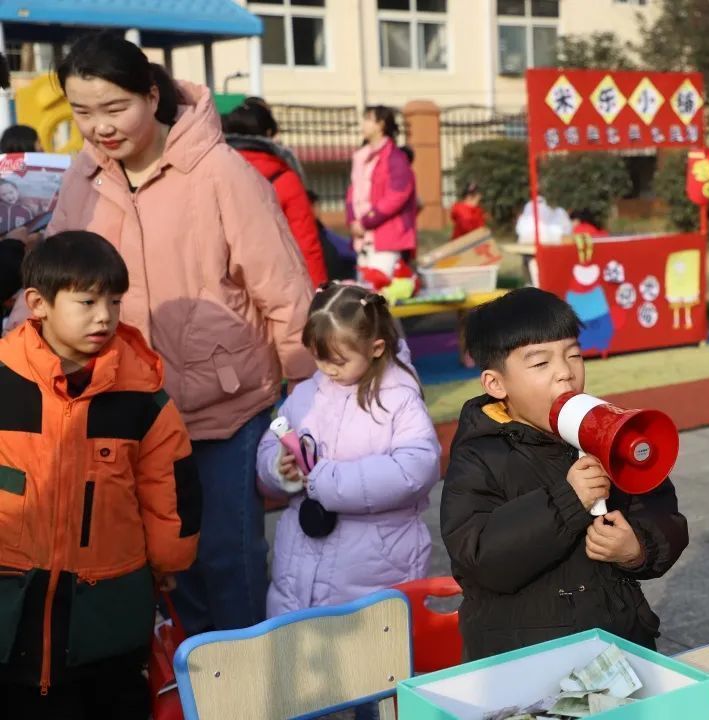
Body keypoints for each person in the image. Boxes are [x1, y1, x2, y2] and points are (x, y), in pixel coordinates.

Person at [25, 32, 315, 635]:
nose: (99, 127)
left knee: (225, 563)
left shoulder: (220, 173)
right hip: (123, 406)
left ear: (151, 96)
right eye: (82, 112)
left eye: (114, 108)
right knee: (156, 565)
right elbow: (56, 278)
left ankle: (247, 691)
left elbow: (284, 289)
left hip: (225, 412)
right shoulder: (84, 177)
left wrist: (310, 393)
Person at [0, 231, 200, 718]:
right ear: (37, 304)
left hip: (108, 608)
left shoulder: (140, 395)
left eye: (114, 301)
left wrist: (168, 558)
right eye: (87, 301)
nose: (105, 315)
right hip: (9, 607)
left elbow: (170, 483)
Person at [440, 287, 688, 660]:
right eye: (540, 364)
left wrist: (637, 549)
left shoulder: (600, 429)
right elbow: (480, 558)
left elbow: (660, 510)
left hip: (617, 643)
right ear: (496, 384)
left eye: (574, 355)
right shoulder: (479, 454)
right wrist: (568, 499)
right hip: (523, 659)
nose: (565, 374)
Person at [256, 282, 439, 617]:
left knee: (365, 661)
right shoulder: (307, 394)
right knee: (300, 657)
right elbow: (272, 439)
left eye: (338, 360)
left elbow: (416, 468)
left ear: (376, 347)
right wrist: (278, 466)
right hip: (297, 569)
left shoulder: (398, 399)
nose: (328, 369)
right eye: (319, 358)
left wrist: (325, 479)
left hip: (373, 570)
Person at [222, 100, 328, 286]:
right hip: (275, 285)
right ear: (269, 133)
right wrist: (319, 293)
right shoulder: (284, 178)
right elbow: (306, 244)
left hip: (224, 286)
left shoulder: (210, 173)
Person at [348, 106, 418, 291]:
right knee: (364, 297)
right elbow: (352, 192)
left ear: (381, 124)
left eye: (368, 119)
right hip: (363, 238)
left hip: (386, 238)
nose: (363, 124)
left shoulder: (395, 158)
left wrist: (366, 222)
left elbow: (397, 195)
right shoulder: (361, 157)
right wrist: (353, 222)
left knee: (379, 298)